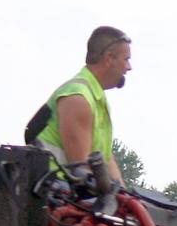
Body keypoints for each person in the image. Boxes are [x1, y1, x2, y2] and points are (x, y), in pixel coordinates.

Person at [31, 26, 132, 184]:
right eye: (126, 59)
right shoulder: (78, 99)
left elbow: (106, 158)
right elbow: (82, 172)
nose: (129, 67)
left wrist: (127, 197)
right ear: (109, 58)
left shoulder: (96, 97)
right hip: (50, 191)